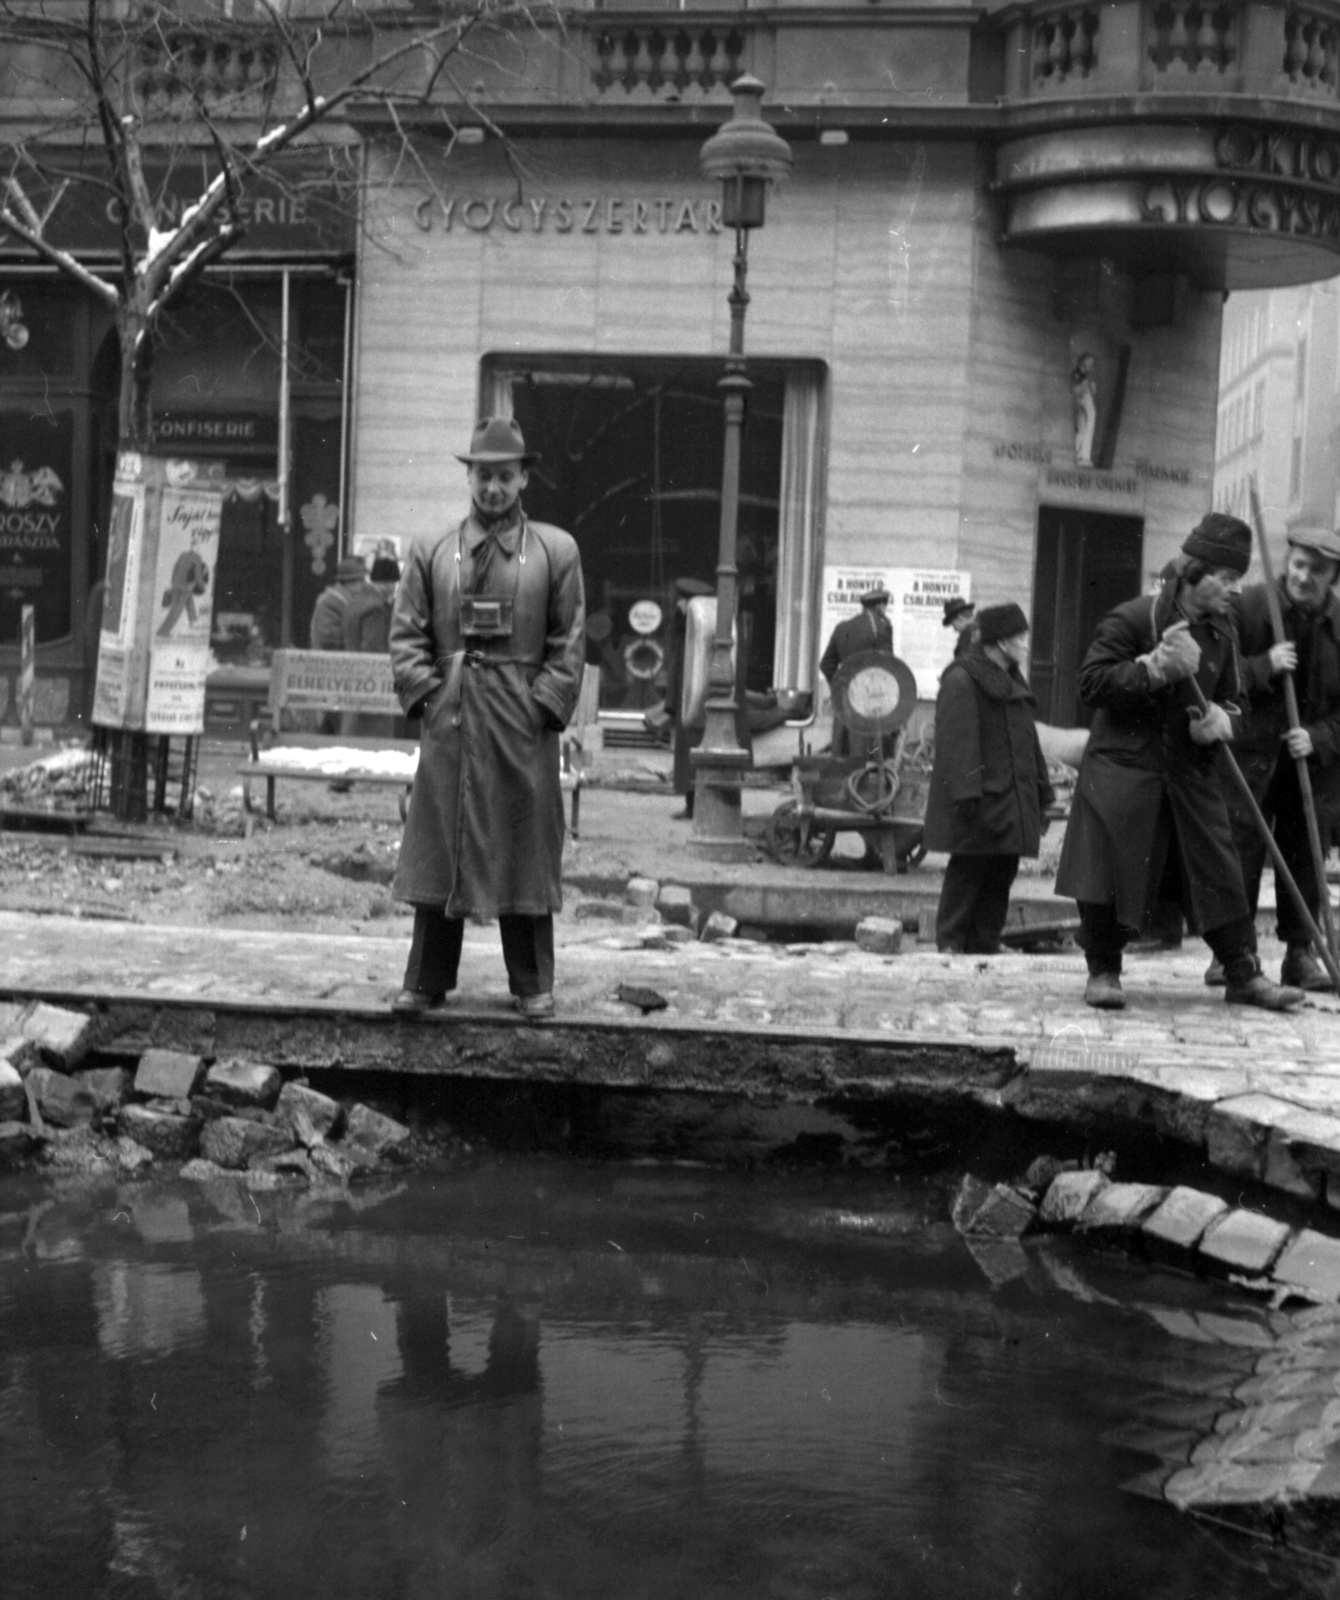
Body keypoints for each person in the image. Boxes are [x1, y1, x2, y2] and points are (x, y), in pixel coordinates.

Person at [1055, 512, 1303, 1012]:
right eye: (1227, 579)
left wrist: (1221, 720)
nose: (1234, 591)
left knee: (1220, 866)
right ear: (1196, 573)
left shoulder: (1223, 634)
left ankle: (1242, 973)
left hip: (1190, 770)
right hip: (1125, 767)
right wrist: (1151, 670)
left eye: (1238, 580)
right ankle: (1103, 970)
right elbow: (1091, 684)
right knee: (1110, 868)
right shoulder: (1134, 619)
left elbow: (1238, 700)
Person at [389, 416, 586, 1018]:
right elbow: (407, 635)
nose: (493, 488)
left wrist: (541, 707)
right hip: (452, 720)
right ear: (469, 478)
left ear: (524, 477)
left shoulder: (556, 551)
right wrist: (428, 696)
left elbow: (569, 640)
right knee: (440, 847)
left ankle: (531, 985)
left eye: (505, 476)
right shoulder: (433, 550)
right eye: (483, 476)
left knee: (523, 848)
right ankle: (425, 980)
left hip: (520, 724)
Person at [1209, 523, 1340, 991]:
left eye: (1318, 571)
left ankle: (1299, 954)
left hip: (1310, 767)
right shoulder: (1249, 608)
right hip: (1250, 758)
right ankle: (1232, 954)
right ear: (1287, 563)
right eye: (1299, 565)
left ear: (1334, 578)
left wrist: (1320, 738)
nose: (1304, 577)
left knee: (1305, 854)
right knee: (1238, 854)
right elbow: (1217, 674)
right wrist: (1264, 666)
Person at [924, 603, 1054, 953]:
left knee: (1002, 872)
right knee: (968, 872)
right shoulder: (962, 679)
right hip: (982, 799)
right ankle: (950, 943)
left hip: (1011, 797)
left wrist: (1043, 790)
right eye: (1020, 638)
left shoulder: (1012, 680)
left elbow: (1028, 740)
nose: (1026, 645)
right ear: (999, 643)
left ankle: (986, 943)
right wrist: (967, 797)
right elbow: (957, 743)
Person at [820, 586, 894, 758]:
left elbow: (826, 664)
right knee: (866, 752)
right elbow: (887, 665)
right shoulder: (882, 626)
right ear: (879, 606)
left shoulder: (842, 627)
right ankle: (861, 783)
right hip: (869, 699)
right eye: (885, 606)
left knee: (841, 750)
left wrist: (840, 685)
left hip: (844, 696)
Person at [340, 556, 402, 739]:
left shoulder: (356, 601)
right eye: (392, 583)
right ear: (388, 583)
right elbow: (374, 652)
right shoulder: (376, 608)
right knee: (372, 743)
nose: (393, 588)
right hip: (371, 686)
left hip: (352, 678)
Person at [309, 555, 367, 650]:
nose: (364, 585)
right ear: (349, 582)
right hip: (328, 662)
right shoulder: (331, 604)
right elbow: (328, 639)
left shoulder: (347, 602)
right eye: (361, 581)